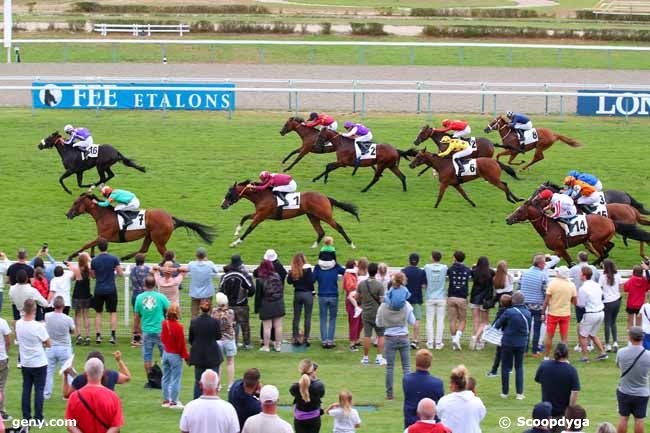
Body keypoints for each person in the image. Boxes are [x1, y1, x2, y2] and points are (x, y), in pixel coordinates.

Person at [377, 272, 414, 400]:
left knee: (390, 367)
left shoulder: (383, 306)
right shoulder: (406, 305)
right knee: (406, 367)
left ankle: (389, 394)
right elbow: (413, 321)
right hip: (403, 336)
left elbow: (378, 323)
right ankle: (408, 393)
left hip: (389, 338)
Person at [64, 357, 124, 433]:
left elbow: (69, 424)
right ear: (102, 373)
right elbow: (116, 426)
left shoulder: (74, 397)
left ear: (86, 373)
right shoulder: (113, 397)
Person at [16, 299, 51, 421]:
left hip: (26, 362)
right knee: (39, 390)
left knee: (26, 389)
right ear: (34, 310)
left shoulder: (19, 324)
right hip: (39, 362)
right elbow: (48, 343)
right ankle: (38, 418)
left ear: (24, 310)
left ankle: (26, 417)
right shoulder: (38, 326)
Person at [493, 291, 531, 400]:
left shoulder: (509, 312)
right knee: (519, 367)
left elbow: (497, 325)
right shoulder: (528, 313)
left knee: (505, 367)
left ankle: (505, 393)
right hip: (522, 342)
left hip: (508, 342)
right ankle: (520, 393)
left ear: (512, 301)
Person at [134, 275, 169, 382]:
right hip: (160, 330)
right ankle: (166, 379)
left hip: (147, 331)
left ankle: (150, 380)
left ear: (144, 284)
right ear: (155, 284)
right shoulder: (161, 297)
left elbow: (136, 316)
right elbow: (170, 309)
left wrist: (136, 329)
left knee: (147, 356)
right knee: (165, 355)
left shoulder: (139, 298)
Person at [616, 327, 650, 433]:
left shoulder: (621, 352)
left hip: (624, 390)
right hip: (642, 392)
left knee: (623, 418)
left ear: (629, 338)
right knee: (639, 420)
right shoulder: (648, 355)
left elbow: (618, 366)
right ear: (642, 338)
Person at [534, 343, 580, 420]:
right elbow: (575, 391)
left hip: (546, 411)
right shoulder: (571, 370)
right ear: (567, 354)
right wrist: (570, 410)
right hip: (563, 412)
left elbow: (538, 379)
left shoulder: (544, 365)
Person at [90, 239, 123, 345]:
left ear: (98, 248)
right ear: (107, 246)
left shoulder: (94, 260)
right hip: (111, 288)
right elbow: (120, 273)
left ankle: (98, 335)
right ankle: (112, 336)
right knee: (113, 312)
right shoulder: (114, 259)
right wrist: (112, 275)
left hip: (99, 289)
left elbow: (93, 275)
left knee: (98, 313)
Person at [189, 299, 223, 399]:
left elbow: (191, 339)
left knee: (198, 381)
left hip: (199, 355)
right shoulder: (215, 322)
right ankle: (214, 399)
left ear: (200, 308)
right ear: (210, 309)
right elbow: (218, 336)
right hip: (212, 355)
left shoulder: (194, 322)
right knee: (214, 380)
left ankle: (196, 400)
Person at [437, 365, 486, 433]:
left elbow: (439, 416)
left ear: (454, 384)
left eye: (451, 382)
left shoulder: (444, 401)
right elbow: (480, 417)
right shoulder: (477, 402)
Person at [402, 349, 444, 428]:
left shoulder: (407, 380)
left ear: (416, 363)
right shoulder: (437, 383)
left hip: (411, 423)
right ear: (430, 364)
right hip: (430, 425)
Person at [219, 255, 254, 349]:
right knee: (245, 325)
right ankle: (247, 344)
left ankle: (233, 343)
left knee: (231, 325)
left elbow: (220, 290)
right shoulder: (244, 275)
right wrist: (247, 295)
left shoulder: (225, 276)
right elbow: (252, 289)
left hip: (228, 305)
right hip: (242, 305)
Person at [542, 266, 577, 359]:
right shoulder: (571, 285)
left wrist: (542, 312)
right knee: (564, 338)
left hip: (553, 313)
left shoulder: (552, 284)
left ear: (559, 273)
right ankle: (564, 358)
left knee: (549, 336)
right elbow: (574, 301)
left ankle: (546, 356)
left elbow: (546, 300)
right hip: (565, 314)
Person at [63, 351, 131, 398]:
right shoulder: (111, 375)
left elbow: (66, 395)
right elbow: (127, 377)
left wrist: (66, 375)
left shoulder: (80, 379)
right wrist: (119, 360)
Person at [44, 296, 75, 400]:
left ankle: (46, 394)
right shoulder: (68, 319)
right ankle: (69, 394)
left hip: (50, 347)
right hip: (64, 348)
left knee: (49, 372)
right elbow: (73, 331)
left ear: (53, 305)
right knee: (68, 371)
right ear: (63, 306)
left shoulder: (47, 316)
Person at [518, 254, 549, 357]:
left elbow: (519, 287)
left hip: (525, 305)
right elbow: (545, 291)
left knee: (526, 328)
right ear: (540, 264)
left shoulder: (524, 273)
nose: (545, 264)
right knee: (537, 328)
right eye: (544, 262)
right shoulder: (543, 275)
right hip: (538, 305)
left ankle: (525, 350)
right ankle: (535, 351)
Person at [356, 263, 386, 365]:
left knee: (367, 335)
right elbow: (382, 301)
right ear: (376, 271)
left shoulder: (362, 284)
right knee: (381, 335)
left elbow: (357, 297)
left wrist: (362, 303)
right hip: (377, 313)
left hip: (366, 312)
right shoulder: (379, 285)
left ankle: (365, 358)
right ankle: (379, 357)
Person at [160, 303, 189, 409]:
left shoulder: (164, 323)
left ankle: (166, 399)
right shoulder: (179, 327)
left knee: (166, 377)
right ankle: (174, 401)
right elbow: (182, 344)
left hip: (165, 353)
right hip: (175, 355)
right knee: (176, 379)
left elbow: (162, 338)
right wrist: (186, 357)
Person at [577, 267, 607, 362]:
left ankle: (585, 357)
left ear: (584, 276)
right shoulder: (596, 285)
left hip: (591, 313)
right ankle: (602, 352)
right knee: (592, 334)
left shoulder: (583, 288)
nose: (579, 275)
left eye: (580, 274)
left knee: (583, 335)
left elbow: (581, 304)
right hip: (601, 312)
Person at [180, 247, 219, 319]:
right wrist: (207, 261)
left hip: (195, 294)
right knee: (208, 314)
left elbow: (184, 269)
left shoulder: (191, 264)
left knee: (194, 314)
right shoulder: (210, 263)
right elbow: (216, 271)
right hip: (207, 293)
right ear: (205, 255)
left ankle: (194, 329)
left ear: (196, 255)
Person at [254, 260, 285, 352]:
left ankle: (266, 346)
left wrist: (257, 308)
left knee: (267, 327)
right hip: (278, 302)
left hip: (266, 304)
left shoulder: (260, 279)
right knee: (278, 326)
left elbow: (258, 296)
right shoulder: (278, 276)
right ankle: (278, 345)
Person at [314, 258, 344, 349]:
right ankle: (330, 340)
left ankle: (324, 340)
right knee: (332, 318)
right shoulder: (335, 266)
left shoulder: (318, 267)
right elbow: (345, 271)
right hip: (333, 295)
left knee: (323, 318)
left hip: (322, 295)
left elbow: (313, 279)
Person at [290, 359, 325, 433]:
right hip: (314, 419)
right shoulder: (319, 386)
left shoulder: (294, 387)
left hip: (299, 419)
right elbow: (321, 395)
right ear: (312, 371)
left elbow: (295, 392)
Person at [288, 253, 315, 346]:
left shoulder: (294, 270)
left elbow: (289, 281)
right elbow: (312, 281)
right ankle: (306, 338)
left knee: (296, 317)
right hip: (307, 294)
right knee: (307, 317)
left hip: (298, 293)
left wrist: (291, 272)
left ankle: (295, 337)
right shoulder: (307, 269)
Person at [447, 251, 472, 351]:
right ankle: (457, 338)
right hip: (462, 298)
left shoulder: (450, 269)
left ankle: (454, 341)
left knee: (452, 320)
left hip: (452, 297)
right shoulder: (467, 269)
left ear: (454, 258)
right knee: (462, 320)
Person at [469, 256, 495, 351]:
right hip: (485, 300)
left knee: (476, 320)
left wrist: (474, 266)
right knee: (484, 322)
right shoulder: (491, 272)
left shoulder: (474, 271)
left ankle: (476, 340)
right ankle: (477, 338)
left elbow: (473, 269)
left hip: (474, 298)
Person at [423, 251, 447, 350]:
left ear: (432, 258)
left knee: (429, 320)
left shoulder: (427, 267)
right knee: (440, 321)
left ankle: (429, 342)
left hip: (430, 297)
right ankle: (438, 343)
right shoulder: (444, 268)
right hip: (441, 297)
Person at [212, 293, 237, 388]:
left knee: (219, 363)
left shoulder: (214, 312)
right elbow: (231, 322)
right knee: (230, 362)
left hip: (218, 340)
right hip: (229, 339)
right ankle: (230, 384)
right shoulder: (230, 312)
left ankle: (218, 384)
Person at [402, 253, 426, 349]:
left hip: (405, 299)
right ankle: (415, 340)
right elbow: (424, 285)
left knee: (404, 320)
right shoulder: (421, 272)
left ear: (409, 260)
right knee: (416, 320)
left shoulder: (404, 271)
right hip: (417, 298)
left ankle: (405, 340)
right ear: (418, 261)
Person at [486, 294, 512, 378]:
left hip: (502, 334)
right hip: (511, 334)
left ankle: (494, 371)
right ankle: (509, 369)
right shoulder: (513, 310)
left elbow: (496, 323)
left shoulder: (501, 311)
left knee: (499, 353)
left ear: (501, 302)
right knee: (509, 352)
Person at [69, 253, 92, 346]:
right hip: (86, 293)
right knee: (86, 315)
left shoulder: (76, 269)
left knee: (77, 315)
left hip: (77, 294)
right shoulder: (89, 269)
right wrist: (87, 256)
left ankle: (78, 335)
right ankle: (87, 336)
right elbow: (90, 261)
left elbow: (72, 278)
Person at [600, 259, 622, 352]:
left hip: (607, 302)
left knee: (607, 323)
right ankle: (615, 342)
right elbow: (620, 287)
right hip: (617, 300)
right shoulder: (617, 275)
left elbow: (600, 288)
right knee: (613, 322)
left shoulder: (602, 277)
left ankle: (608, 344)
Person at [129, 253, 149, 346]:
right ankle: (142, 337)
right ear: (143, 261)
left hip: (135, 295)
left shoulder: (133, 270)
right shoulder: (147, 269)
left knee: (136, 317)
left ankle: (136, 337)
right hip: (145, 296)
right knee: (145, 316)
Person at [343, 260, 361, 351]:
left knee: (359, 322)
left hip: (358, 299)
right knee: (354, 322)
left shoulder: (354, 275)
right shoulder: (348, 275)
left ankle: (356, 339)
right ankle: (352, 343)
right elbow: (350, 287)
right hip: (352, 301)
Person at [624, 264, 650, 330]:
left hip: (631, 304)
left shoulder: (631, 280)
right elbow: (647, 288)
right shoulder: (644, 280)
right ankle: (638, 336)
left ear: (634, 272)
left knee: (630, 322)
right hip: (641, 304)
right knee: (639, 323)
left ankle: (630, 336)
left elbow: (625, 288)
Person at [0, 311, 10, 421]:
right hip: (1, 358)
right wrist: (5, 353)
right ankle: (2, 412)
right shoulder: (2, 323)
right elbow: (8, 341)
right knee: (1, 386)